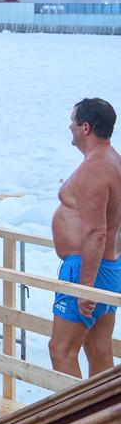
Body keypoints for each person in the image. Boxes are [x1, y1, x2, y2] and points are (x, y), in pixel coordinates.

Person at [50, 98, 121, 378]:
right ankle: (107, 408)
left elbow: (96, 232)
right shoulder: (113, 160)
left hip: (85, 269)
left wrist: (85, 287)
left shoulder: (95, 168)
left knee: (61, 350)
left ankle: (74, 409)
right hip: (108, 267)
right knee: (98, 349)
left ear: (86, 127)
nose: (70, 126)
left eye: (73, 121)